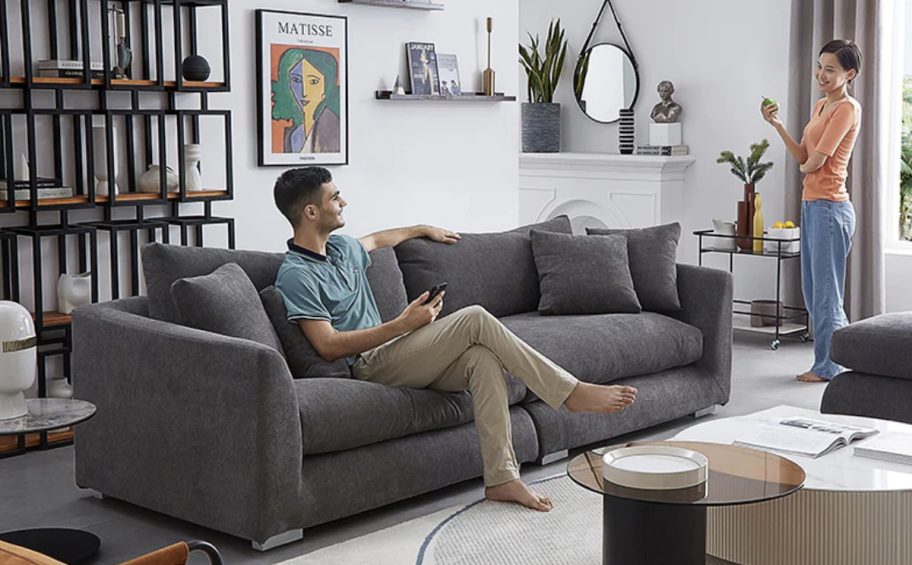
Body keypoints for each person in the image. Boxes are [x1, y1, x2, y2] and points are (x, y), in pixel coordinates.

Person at [273, 167, 638, 512]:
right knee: (475, 318)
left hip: (397, 354)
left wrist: (422, 228)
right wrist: (405, 323)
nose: (344, 202)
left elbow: (381, 238)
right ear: (310, 211)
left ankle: (502, 479)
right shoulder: (297, 275)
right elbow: (328, 345)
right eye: (335, 198)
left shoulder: (341, 248)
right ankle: (568, 392)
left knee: (483, 359)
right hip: (368, 365)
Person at [761, 39, 862, 383]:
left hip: (831, 209)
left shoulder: (847, 109)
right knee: (812, 291)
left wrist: (810, 164)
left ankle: (828, 366)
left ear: (849, 73)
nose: (821, 74)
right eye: (819, 66)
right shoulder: (821, 106)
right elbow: (805, 156)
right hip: (812, 206)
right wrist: (777, 126)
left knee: (825, 294)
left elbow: (814, 162)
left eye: (830, 69)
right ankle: (844, 356)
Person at [272, 48, 342, 154]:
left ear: (326, 87)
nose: (304, 92)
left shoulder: (335, 129)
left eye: (313, 82)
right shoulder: (292, 134)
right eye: (296, 80)